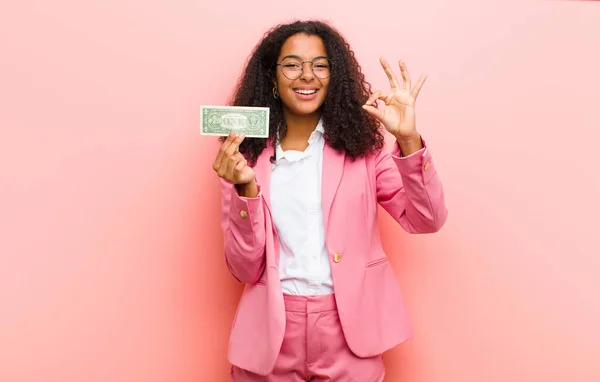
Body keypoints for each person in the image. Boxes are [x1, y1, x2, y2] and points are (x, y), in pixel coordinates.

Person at [212, 20, 448, 381]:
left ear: (333, 76)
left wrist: (409, 139)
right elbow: (244, 267)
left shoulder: (364, 151)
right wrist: (246, 189)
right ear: (272, 78)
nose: (307, 75)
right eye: (292, 64)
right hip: (271, 334)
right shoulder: (246, 156)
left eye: (320, 65)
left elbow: (426, 218)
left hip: (351, 331)